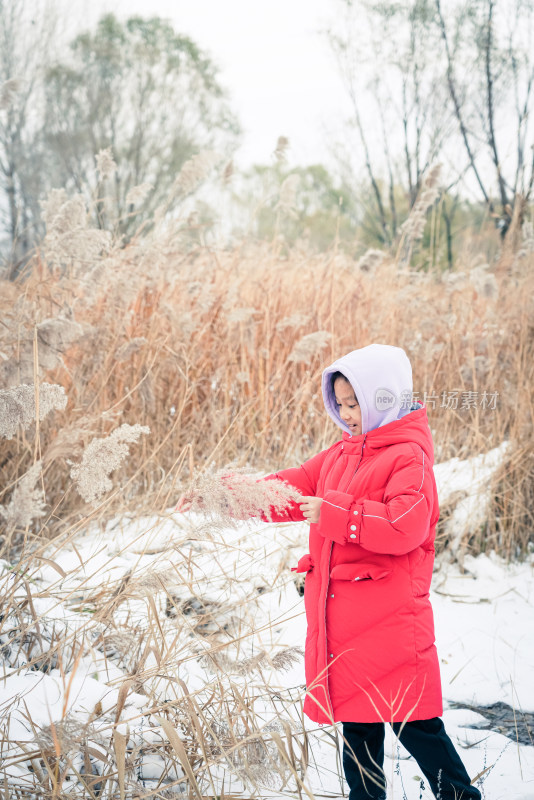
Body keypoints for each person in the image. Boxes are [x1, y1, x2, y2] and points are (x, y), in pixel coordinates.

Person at [179, 343, 482, 800]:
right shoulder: (341, 455)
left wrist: (339, 514)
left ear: (384, 398)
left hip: (392, 628)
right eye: (339, 404)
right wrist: (220, 495)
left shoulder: (409, 457)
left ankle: (460, 796)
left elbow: (405, 525)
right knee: (358, 732)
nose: (346, 414)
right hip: (344, 630)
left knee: (416, 725)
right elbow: (285, 490)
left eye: (355, 403)